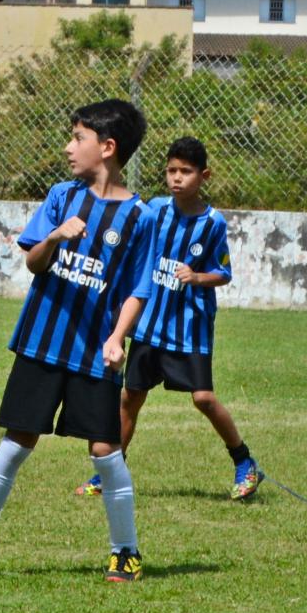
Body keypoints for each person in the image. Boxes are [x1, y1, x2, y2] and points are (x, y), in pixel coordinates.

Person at [0, 99, 155, 582]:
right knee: (18, 441)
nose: (68, 147)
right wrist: (57, 237)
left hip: (93, 352)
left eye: (77, 138)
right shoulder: (62, 196)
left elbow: (137, 289)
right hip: (43, 343)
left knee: (105, 449)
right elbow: (33, 262)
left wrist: (118, 338)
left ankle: (125, 550)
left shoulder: (140, 217)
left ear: (107, 148)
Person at [75, 136, 260, 502]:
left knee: (204, 399)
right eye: (172, 171)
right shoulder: (154, 210)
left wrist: (197, 277)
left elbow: (223, 274)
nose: (177, 178)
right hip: (148, 326)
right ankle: (109, 472)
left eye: (186, 172)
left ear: (204, 176)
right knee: (130, 398)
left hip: (189, 330)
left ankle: (244, 462)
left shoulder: (212, 224)